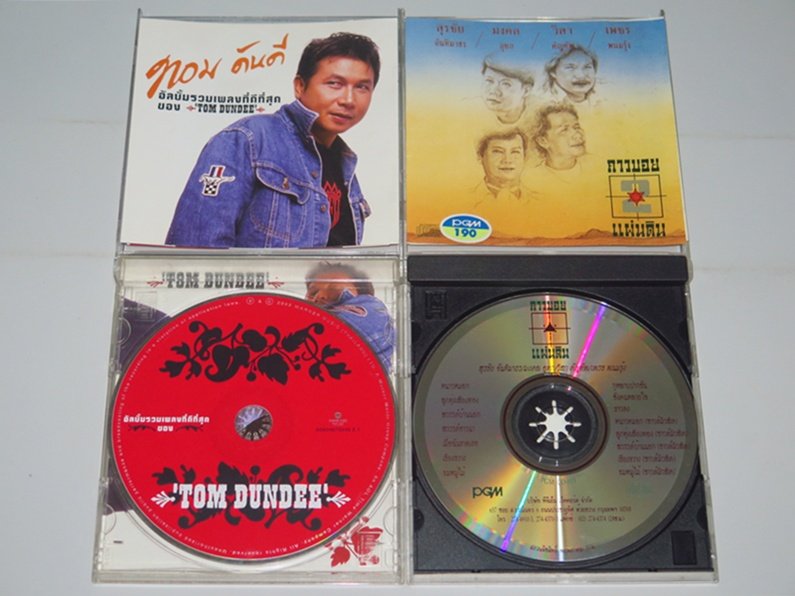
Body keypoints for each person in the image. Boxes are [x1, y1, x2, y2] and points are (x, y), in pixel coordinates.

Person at [165, 33, 381, 248]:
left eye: (362, 87)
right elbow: (194, 252)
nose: (348, 100)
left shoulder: (345, 168)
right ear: (300, 86)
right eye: (334, 83)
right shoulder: (246, 140)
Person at [305, 263, 395, 372]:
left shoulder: (373, 312)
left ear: (364, 295)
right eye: (313, 292)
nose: (320, 296)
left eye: (335, 289)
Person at [530, 103, 587, 172]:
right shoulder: (534, 175)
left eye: (576, 127)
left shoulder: (595, 165)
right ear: (543, 141)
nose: (578, 135)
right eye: (564, 130)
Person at [480, 54, 535, 125]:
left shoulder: (543, 114)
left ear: (526, 91)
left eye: (506, 84)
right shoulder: (469, 108)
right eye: (489, 81)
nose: (493, 91)